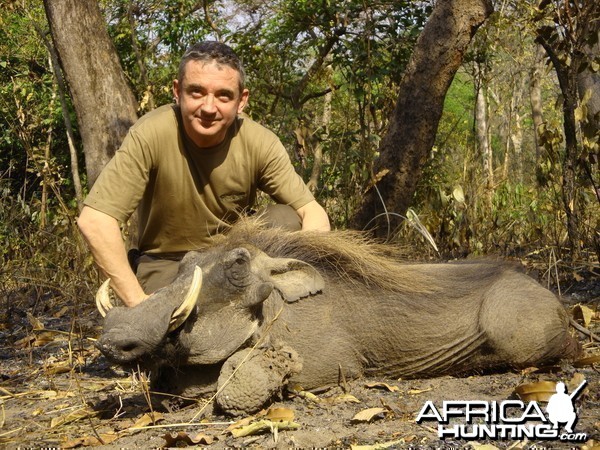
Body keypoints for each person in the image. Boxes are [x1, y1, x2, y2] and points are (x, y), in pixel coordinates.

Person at [77, 41, 330, 308]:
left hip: (236, 257)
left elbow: (313, 214)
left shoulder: (260, 141)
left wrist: (296, 270)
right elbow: (95, 220)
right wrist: (137, 302)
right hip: (168, 263)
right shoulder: (150, 133)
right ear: (177, 92)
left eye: (223, 95)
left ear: (241, 101)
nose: (209, 108)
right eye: (196, 92)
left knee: (287, 218)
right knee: (171, 333)